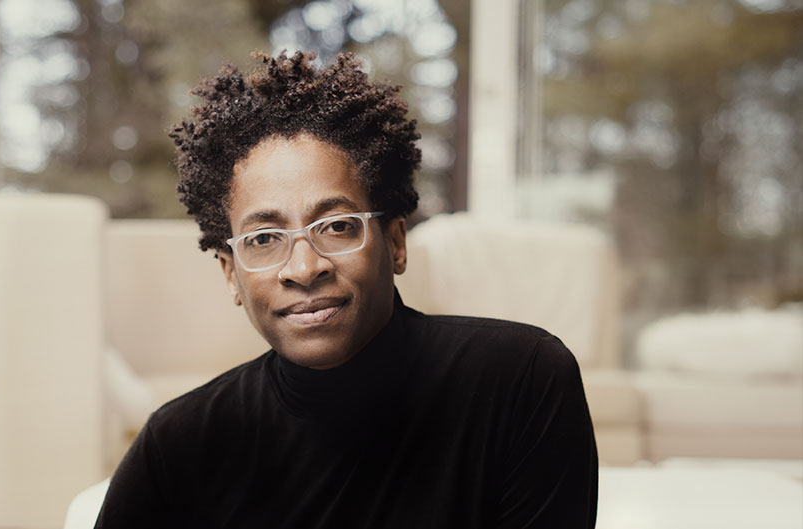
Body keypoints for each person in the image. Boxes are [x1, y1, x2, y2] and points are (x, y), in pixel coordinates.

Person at [95, 50, 598, 528]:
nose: (303, 267)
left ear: (395, 242)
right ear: (231, 274)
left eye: (337, 226)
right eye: (264, 238)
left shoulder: (521, 378)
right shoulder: (180, 444)